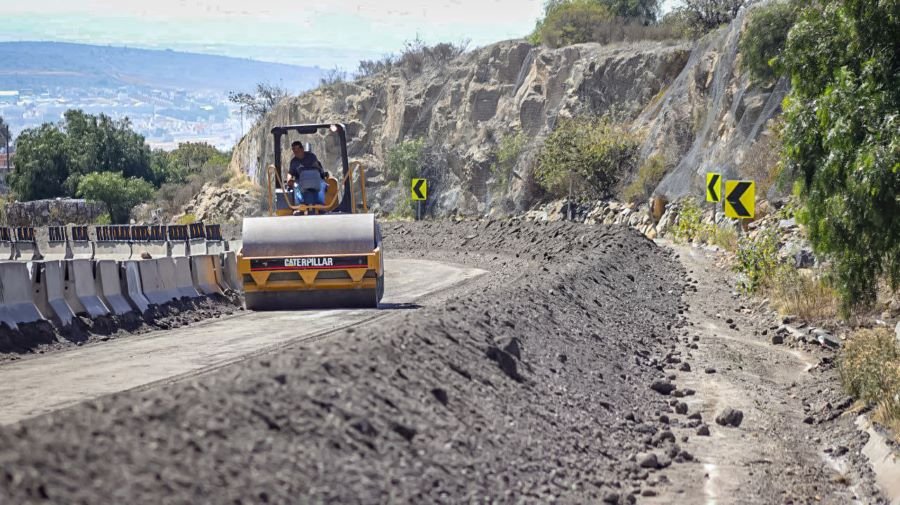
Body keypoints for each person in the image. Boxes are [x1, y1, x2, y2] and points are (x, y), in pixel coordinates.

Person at [287, 141, 327, 207]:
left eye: (297, 149)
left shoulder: (311, 157)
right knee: (295, 185)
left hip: (314, 179)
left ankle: (320, 205)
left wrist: (321, 172)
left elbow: (318, 168)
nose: (296, 151)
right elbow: (290, 172)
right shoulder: (293, 162)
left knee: (322, 183)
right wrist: (289, 180)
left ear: (302, 149)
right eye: (294, 149)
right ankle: (299, 206)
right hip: (300, 181)